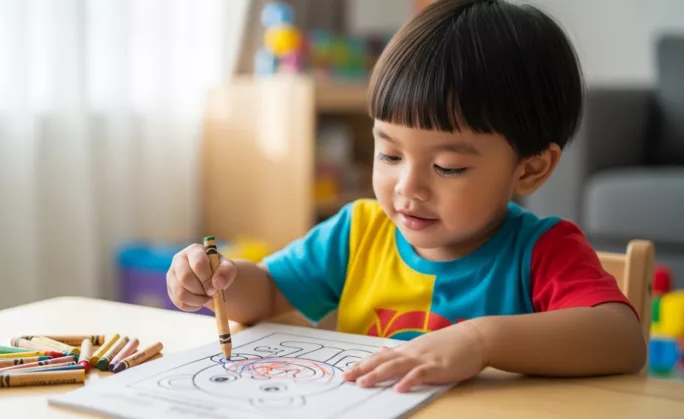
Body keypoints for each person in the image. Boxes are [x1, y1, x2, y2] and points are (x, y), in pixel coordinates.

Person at [167, 0, 647, 392]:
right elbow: (268, 291)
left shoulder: (542, 250)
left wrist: (481, 340)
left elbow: (622, 340)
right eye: (390, 154)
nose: (407, 188)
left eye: (447, 167)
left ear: (532, 167)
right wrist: (219, 282)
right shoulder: (358, 232)